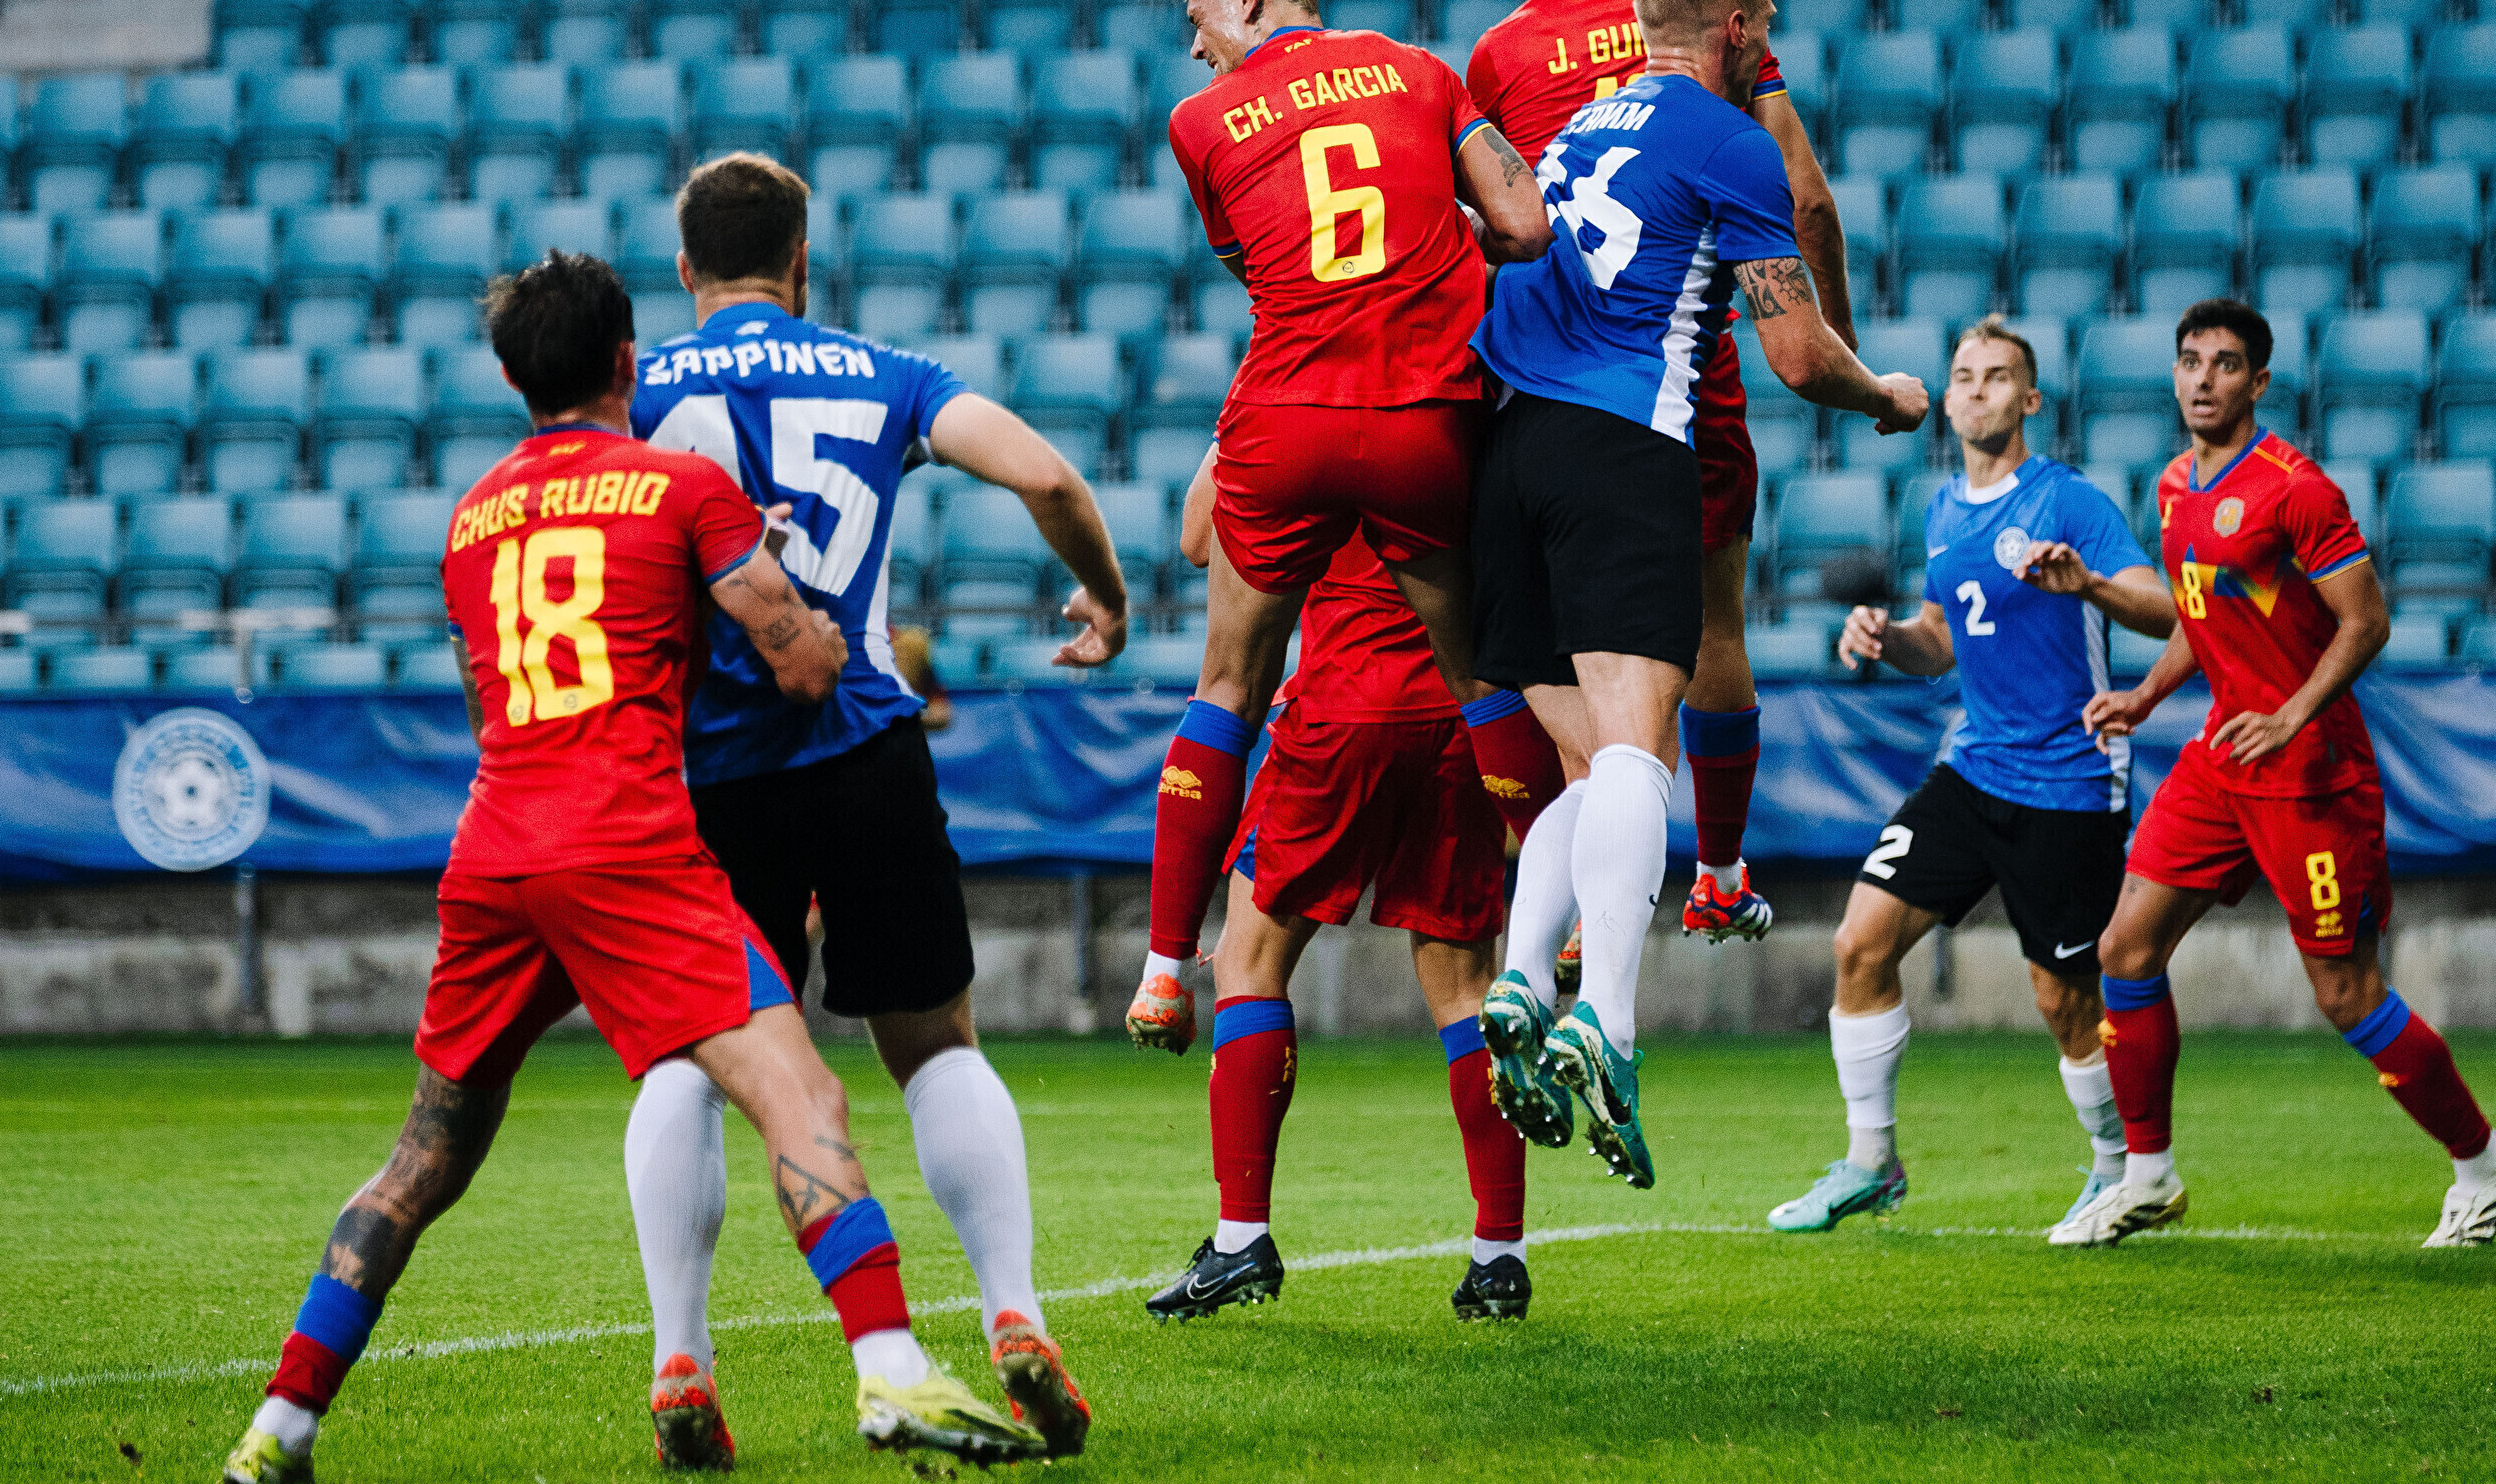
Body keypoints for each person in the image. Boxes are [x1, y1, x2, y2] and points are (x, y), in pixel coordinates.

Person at [222, 253, 1041, 1484]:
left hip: (496, 853)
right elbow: (805, 667)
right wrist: (785, 598)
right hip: (630, 846)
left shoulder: (471, 516)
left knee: (419, 1159)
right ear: (626, 362)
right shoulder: (682, 485)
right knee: (803, 1098)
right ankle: (888, 1361)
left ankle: (277, 1429)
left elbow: (488, 705)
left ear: (513, 377)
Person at [617, 152, 1126, 1463]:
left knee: (688, 1060)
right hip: (865, 748)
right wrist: (1108, 596)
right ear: (802, 261)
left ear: (684, 268)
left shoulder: (636, 392)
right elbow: (1048, 479)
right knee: (937, 1045)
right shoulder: (885, 372)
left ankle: (681, 1357)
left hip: (707, 773)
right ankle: (1014, 1315)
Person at [1470, 0, 1929, 1189]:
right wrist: (1883, 391)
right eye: (1763, 26)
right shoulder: (1729, 140)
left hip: (1507, 455)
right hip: (1622, 452)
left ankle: (1522, 972)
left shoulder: (1582, 126)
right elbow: (1794, 353)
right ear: (1734, 28)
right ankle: (1608, 1025)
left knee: (1585, 769)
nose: (1767, 45)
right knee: (1636, 753)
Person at [1122, 0, 1552, 1056]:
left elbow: (1265, 263)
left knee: (1227, 686)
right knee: (1480, 680)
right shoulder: (1423, 72)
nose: (1196, 46)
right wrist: (1447, 235)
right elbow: (1526, 223)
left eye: (1199, 16)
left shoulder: (1199, 122)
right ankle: (1563, 923)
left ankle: (1162, 971)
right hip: (1420, 419)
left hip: (1287, 420)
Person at [2062, 299, 2496, 1249]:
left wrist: (2290, 714)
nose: (2203, 379)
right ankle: (2148, 1176)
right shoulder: (2174, 486)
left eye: (2225, 363)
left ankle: (2488, 1166)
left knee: (2345, 993)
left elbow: (2367, 621)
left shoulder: (2297, 490)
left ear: (2259, 382)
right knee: (2125, 949)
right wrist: (2146, 696)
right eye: (2189, 360)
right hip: (2222, 759)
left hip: (2311, 771)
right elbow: (2205, 617)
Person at [1467, 0, 1863, 945]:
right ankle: (1721, 871)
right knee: (1712, 628)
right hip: (1689, 369)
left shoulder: (1502, 53)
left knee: (1567, 655)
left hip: (1557, 376)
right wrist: (1837, 348)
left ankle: (1579, 905)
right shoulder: (1700, 16)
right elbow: (1805, 196)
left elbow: (1505, 222)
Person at [1768, 318, 2175, 1238]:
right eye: (1964, 375)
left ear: (2029, 400)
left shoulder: (2069, 501)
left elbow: (2162, 610)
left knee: (2065, 1003)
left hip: (2069, 781)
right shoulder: (1944, 513)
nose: (1978, 388)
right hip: (1974, 765)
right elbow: (1941, 642)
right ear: (1947, 401)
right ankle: (1870, 1162)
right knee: (1859, 944)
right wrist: (1886, 639)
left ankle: (2120, 1172)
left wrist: (2090, 585)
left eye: (1997, 376)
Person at [1141, 451, 1534, 1323]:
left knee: (1248, 962)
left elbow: (1201, 537)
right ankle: (1499, 1257)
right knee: (1467, 987)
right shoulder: (1464, 397)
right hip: (1465, 713)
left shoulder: (1308, 403)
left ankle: (1241, 1238)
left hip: (1343, 704)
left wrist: (1240, 412)